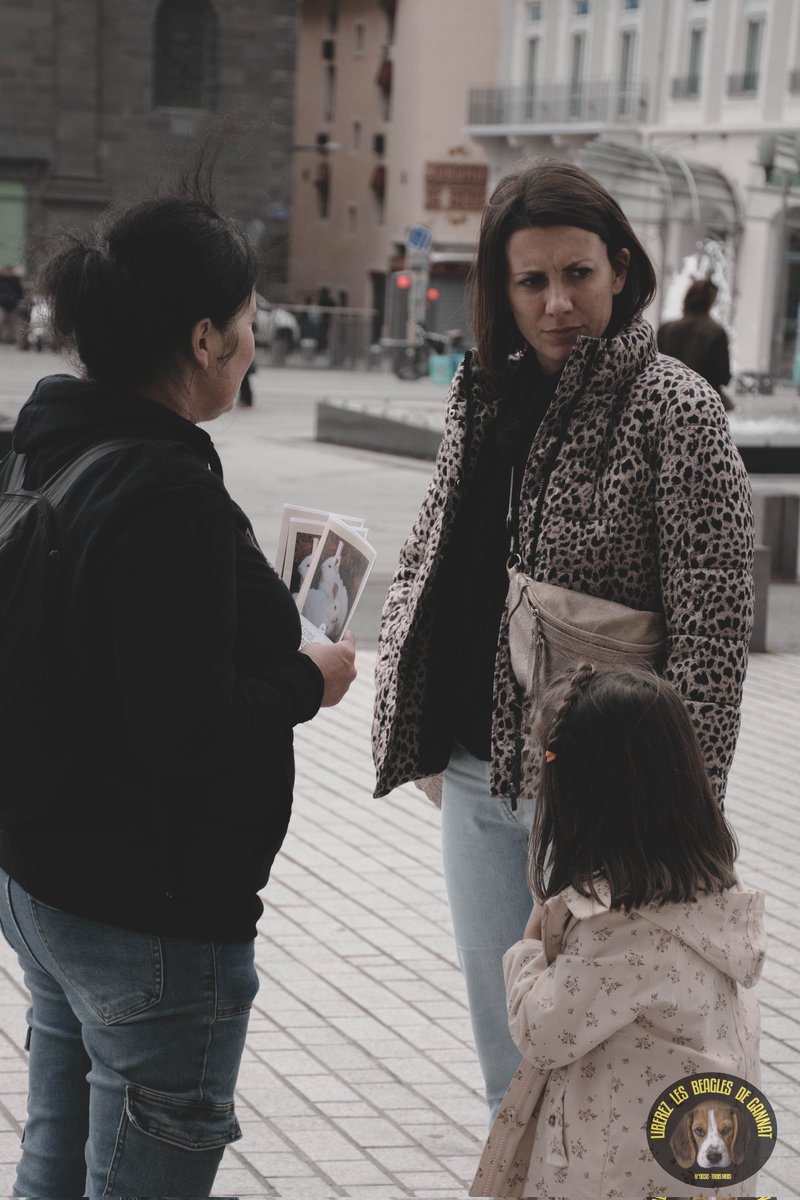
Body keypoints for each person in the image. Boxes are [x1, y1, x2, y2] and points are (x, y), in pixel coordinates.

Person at [372, 159, 754, 1119]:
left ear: (621, 269)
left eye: (577, 274)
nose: (557, 304)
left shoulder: (675, 408)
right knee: (509, 1063)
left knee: (603, 1072)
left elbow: (711, 631)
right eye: (531, 280)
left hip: (602, 796)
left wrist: (681, 812)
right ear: (501, 290)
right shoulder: (480, 400)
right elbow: (434, 558)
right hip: (474, 775)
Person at [0, 188, 356, 1198]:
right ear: (205, 337)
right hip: (147, 917)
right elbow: (185, 728)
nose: (252, 345)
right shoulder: (165, 497)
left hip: (41, 880)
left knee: (53, 1166)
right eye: (244, 324)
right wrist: (306, 678)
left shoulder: (46, 440)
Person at [470, 665, 765, 1199]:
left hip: (617, 1175)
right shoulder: (717, 893)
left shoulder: (618, 930)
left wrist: (531, 945)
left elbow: (542, 1031)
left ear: (590, 797)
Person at [658, 276, 733, 410]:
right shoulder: (716, 331)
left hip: (667, 399)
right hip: (703, 402)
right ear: (710, 303)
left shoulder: (666, 329)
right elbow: (723, 376)